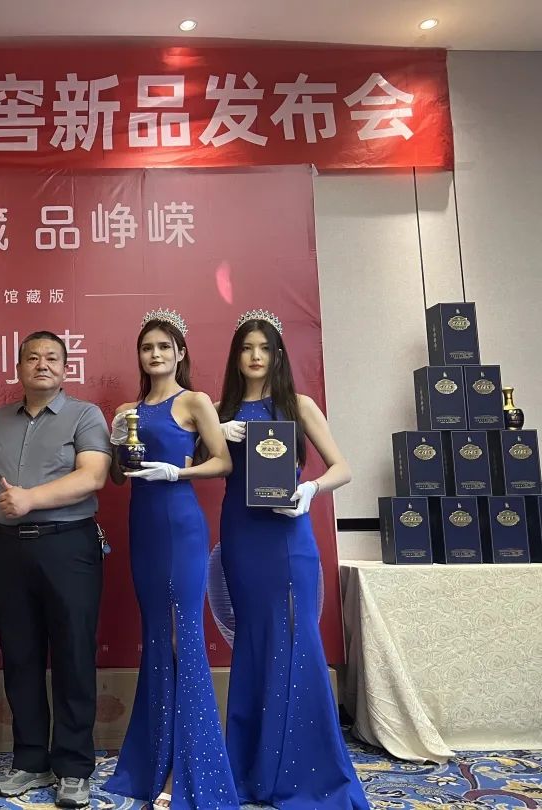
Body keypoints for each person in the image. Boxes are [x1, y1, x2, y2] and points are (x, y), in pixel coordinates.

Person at [216, 309, 369, 810]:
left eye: (265, 348)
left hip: (288, 534)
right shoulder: (219, 410)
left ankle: (307, 769)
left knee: (296, 639)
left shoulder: (298, 406)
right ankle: (251, 767)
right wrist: (216, 433)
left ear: (278, 355)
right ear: (236, 356)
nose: (256, 356)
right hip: (242, 534)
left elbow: (343, 468)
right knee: (253, 640)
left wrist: (310, 490)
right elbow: (197, 463)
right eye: (247, 348)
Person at [103, 310, 239, 810]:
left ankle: (187, 767)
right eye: (147, 347)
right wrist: (117, 445)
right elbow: (118, 477)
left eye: (164, 346)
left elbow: (222, 461)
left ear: (180, 353)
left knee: (185, 638)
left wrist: (178, 473)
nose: (155, 354)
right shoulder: (128, 409)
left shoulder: (195, 401)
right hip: (144, 530)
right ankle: (157, 759)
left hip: (181, 527)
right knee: (158, 638)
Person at [0, 330, 111, 809]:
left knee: (74, 654)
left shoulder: (85, 414)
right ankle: (30, 760)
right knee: (20, 656)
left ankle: (74, 767)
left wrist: (30, 499)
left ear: (65, 368)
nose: (42, 364)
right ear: (17, 368)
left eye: (52, 358)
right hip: (8, 551)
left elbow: (94, 474)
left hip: (68, 546)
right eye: (32, 357)